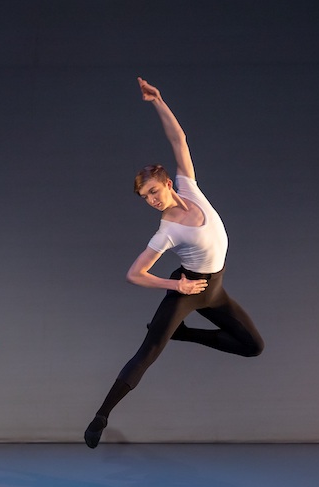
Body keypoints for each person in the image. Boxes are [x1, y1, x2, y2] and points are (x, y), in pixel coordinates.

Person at [84, 78, 265, 448]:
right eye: (144, 197)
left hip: (214, 291)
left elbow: (179, 140)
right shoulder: (166, 230)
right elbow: (135, 274)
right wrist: (176, 286)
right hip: (189, 289)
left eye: (152, 191)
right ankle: (101, 416)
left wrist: (158, 102)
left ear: (167, 182)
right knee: (149, 351)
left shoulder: (188, 187)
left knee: (252, 346)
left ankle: (184, 334)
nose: (150, 200)